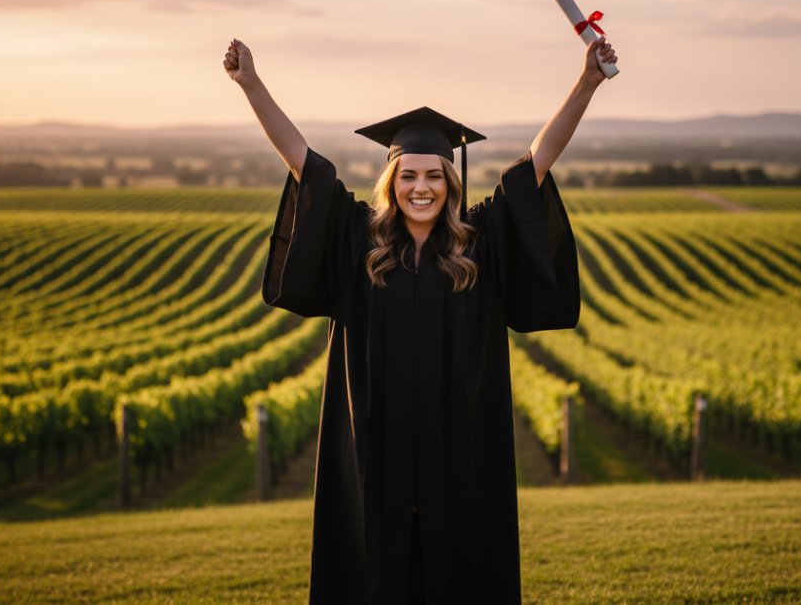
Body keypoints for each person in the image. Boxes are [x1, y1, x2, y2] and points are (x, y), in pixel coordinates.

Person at [222, 35, 617, 604]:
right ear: (392, 182)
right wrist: (251, 83)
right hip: (374, 451)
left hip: (459, 451)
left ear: (451, 183)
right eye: (408, 176)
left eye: (434, 176)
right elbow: (303, 162)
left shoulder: (478, 248)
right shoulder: (359, 243)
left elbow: (536, 162)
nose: (421, 188)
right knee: (371, 566)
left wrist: (587, 80)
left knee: (457, 568)